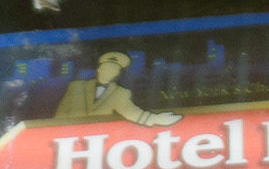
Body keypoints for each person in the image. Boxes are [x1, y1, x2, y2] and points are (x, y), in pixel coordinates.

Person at [51, 51, 181, 126]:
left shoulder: (120, 93)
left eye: (113, 70)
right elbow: (61, 113)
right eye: (105, 68)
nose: (108, 72)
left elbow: (135, 114)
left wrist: (157, 119)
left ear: (117, 74)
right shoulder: (76, 86)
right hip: (68, 140)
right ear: (98, 70)